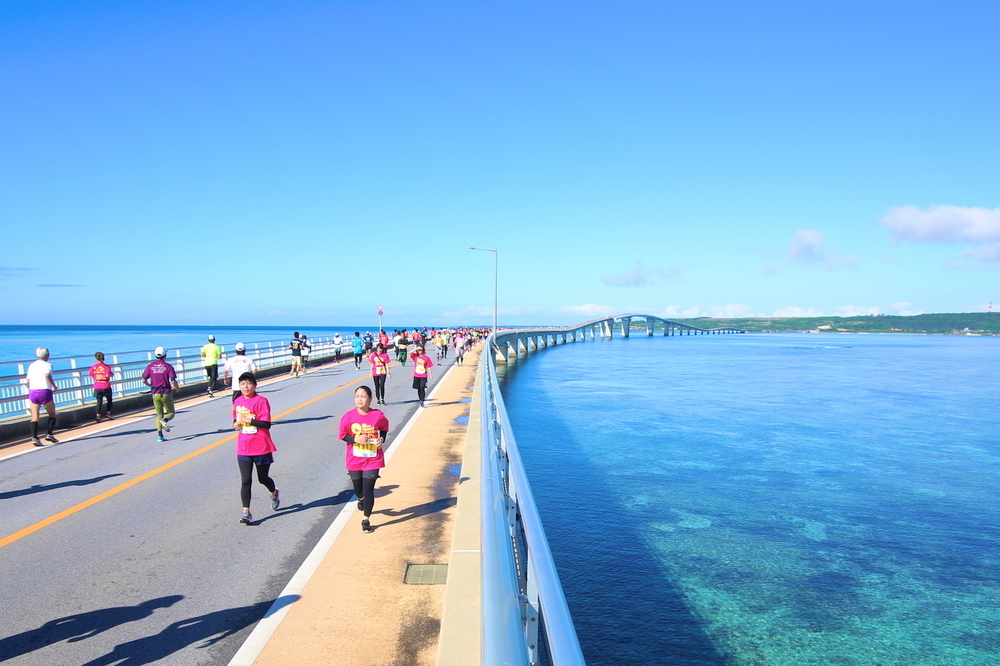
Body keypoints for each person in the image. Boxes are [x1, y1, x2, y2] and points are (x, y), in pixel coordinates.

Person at [338, 386, 389, 533]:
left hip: (373, 458)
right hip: (354, 459)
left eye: (363, 396)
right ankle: (360, 499)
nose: (359, 399)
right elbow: (342, 435)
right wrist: (355, 439)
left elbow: (384, 428)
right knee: (358, 490)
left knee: (368, 490)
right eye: (357, 396)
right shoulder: (348, 417)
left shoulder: (377, 415)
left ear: (370, 399)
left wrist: (381, 439)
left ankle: (366, 520)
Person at [233, 372, 280, 525]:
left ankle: (274, 493)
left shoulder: (261, 401)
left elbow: (266, 424)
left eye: (249, 383)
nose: (246, 386)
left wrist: (249, 420)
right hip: (244, 447)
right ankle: (246, 512)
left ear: (254, 385)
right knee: (246, 480)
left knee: (263, 478)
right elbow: (235, 419)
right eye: (242, 384)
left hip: (261, 446)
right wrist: (236, 424)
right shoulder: (237, 401)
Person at [141, 347, 179, 442]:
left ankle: (160, 436)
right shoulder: (168, 366)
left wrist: (149, 384)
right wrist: (177, 389)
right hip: (166, 392)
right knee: (171, 413)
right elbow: (173, 380)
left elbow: (143, 379)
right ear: (165, 355)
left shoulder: (150, 366)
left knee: (159, 414)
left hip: (155, 393)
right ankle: (164, 421)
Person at [25, 346, 58, 446]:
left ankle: (35, 438)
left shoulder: (32, 365)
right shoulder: (48, 365)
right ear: (47, 355)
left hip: (33, 392)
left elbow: (28, 380)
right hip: (45, 391)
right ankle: (49, 434)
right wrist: (54, 386)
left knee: (34, 417)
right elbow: (47, 375)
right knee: (52, 414)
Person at [88, 352, 115, 422]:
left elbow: (91, 374)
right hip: (105, 385)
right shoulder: (107, 367)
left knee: (99, 401)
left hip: (97, 385)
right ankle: (108, 413)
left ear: (95, 358)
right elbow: (108, 375)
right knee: (109, 400)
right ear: (103, 358)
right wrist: (111, 375)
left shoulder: (93, 367)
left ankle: (98, 415)